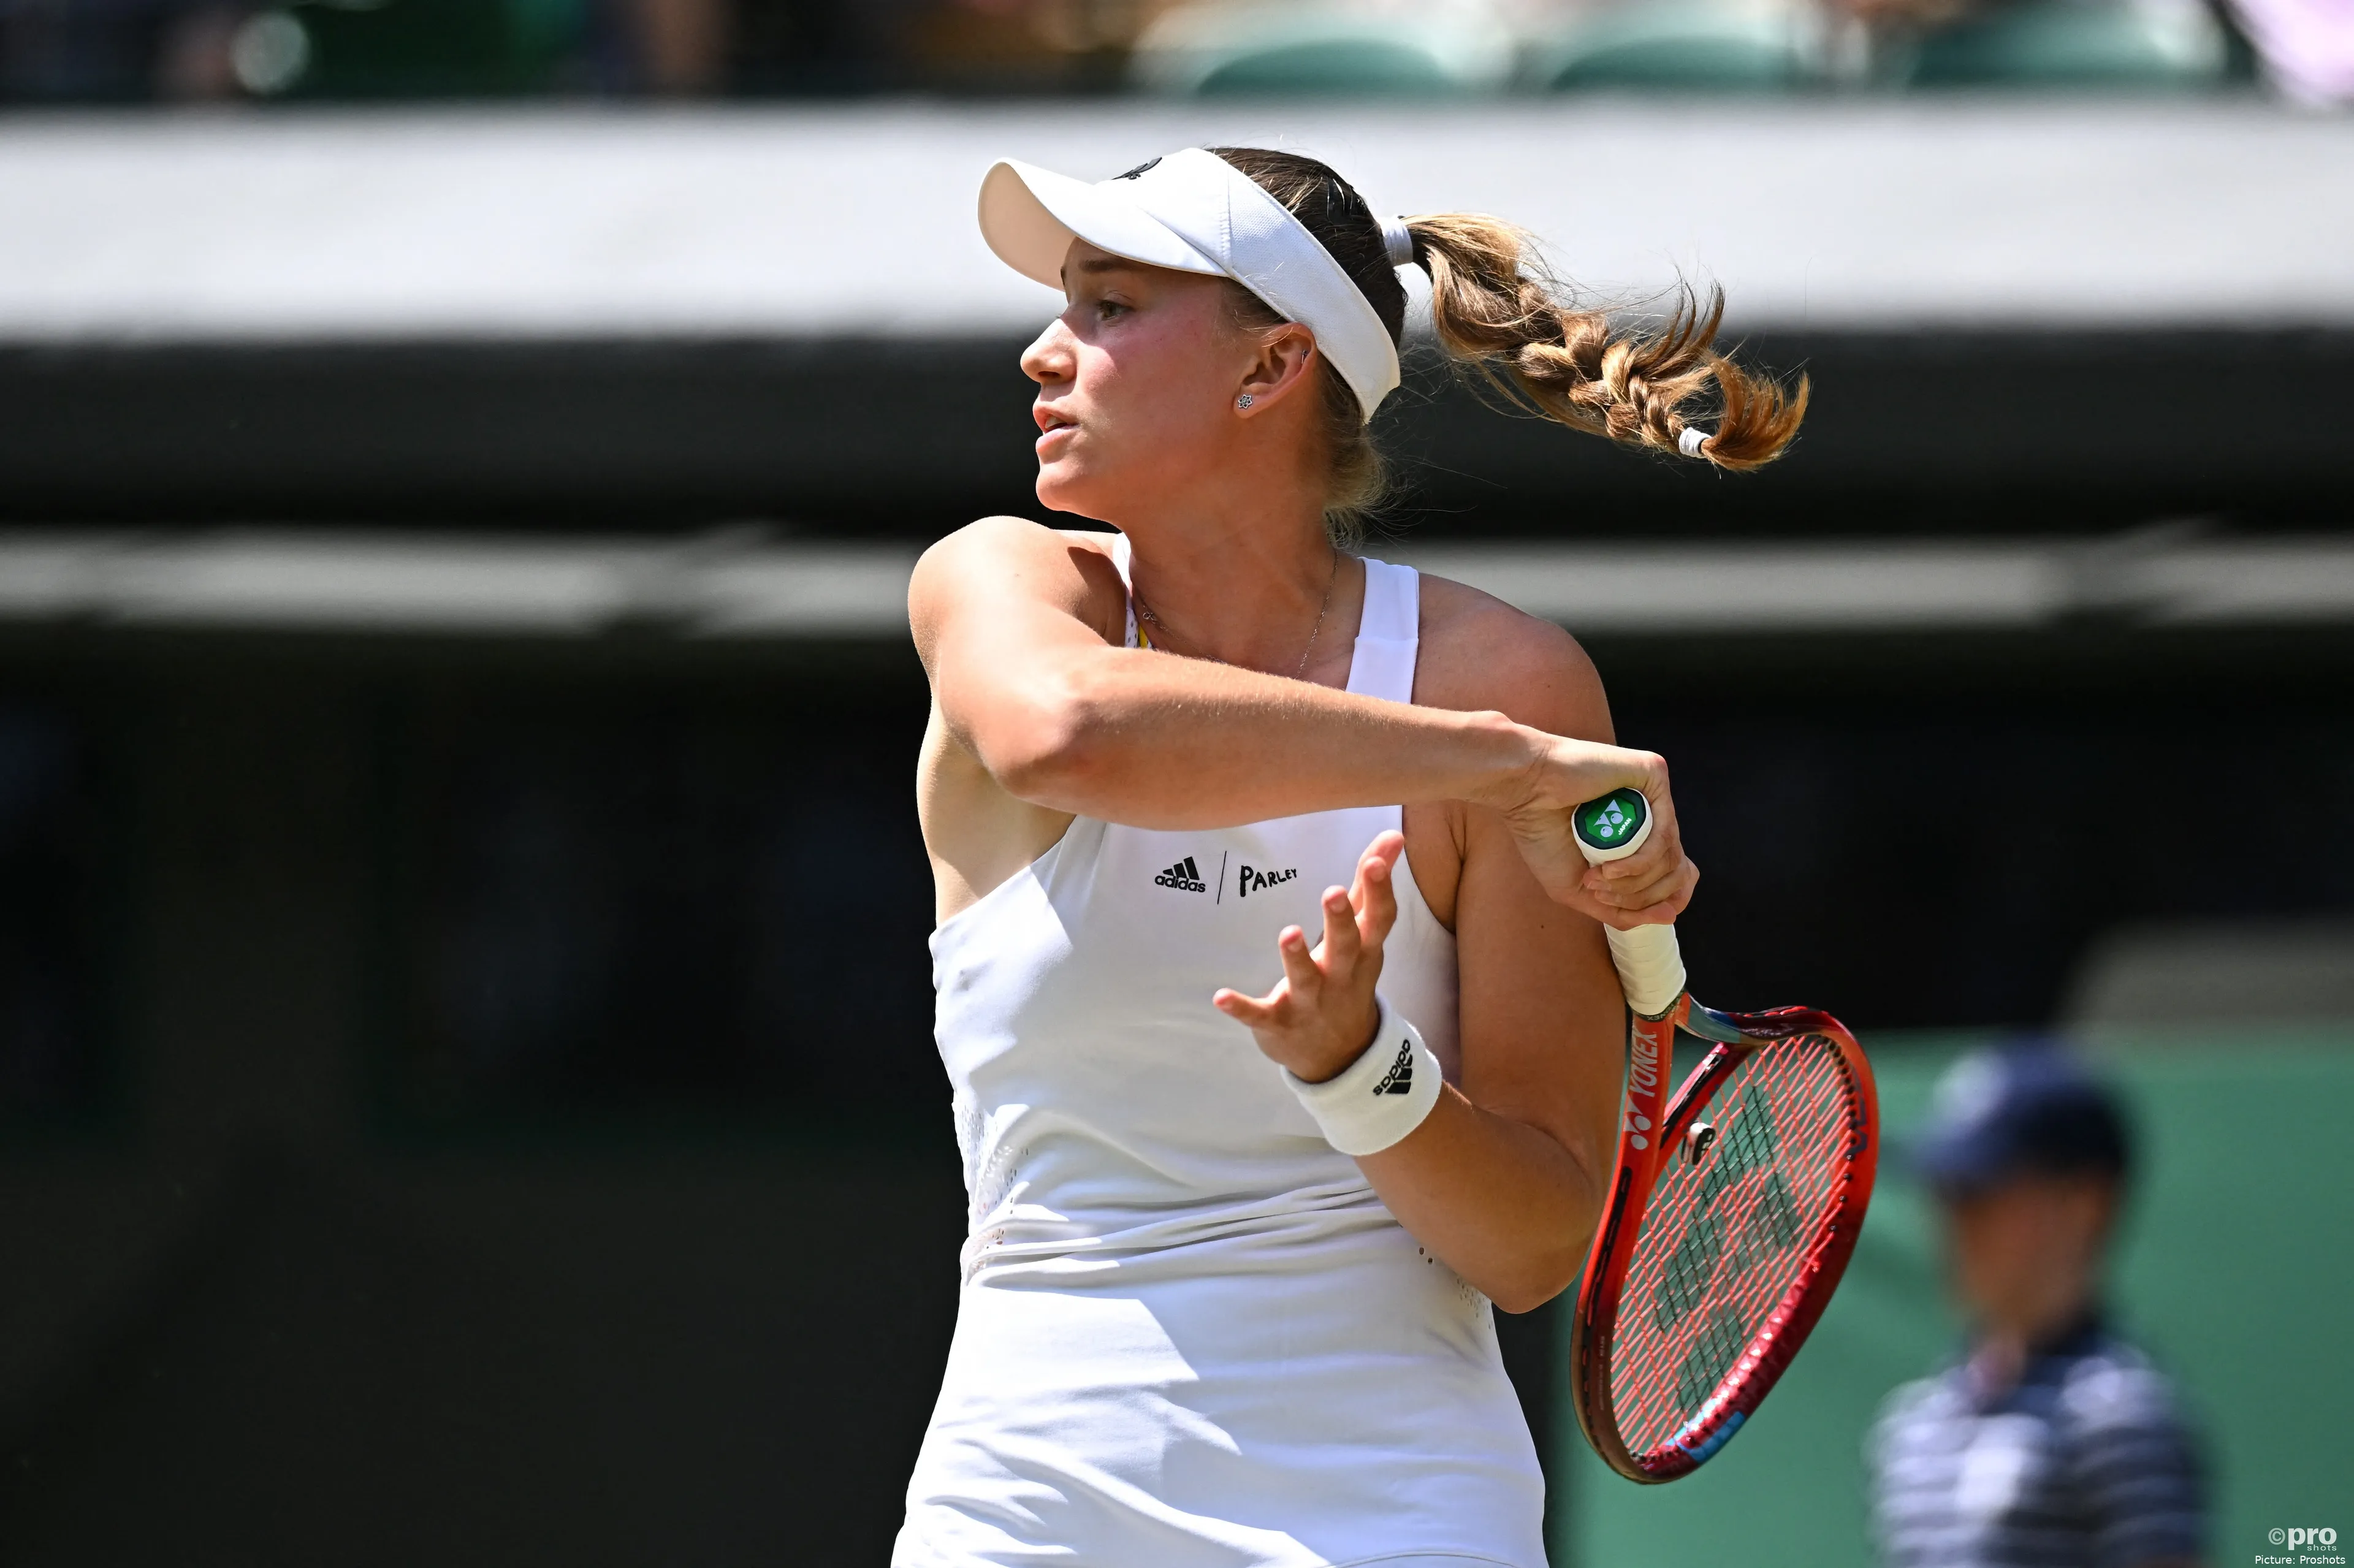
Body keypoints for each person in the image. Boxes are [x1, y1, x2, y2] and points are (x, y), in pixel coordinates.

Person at [898, 145, 1803, 1566]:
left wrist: (1359, 1070)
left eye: (1108, 306)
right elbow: (1063, 730)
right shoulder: (1000, 583)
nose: (1043, 349)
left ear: (1271, 366)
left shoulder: (1507, 678)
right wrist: (1499, 765)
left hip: (1397, 1509)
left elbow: (1530, 1245)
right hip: (1029, 1507)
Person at [1869, 1045, 2208, 1568]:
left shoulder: (2122, 1418)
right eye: (1944, 1192)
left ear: (2084, 1204)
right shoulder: (1913, 1427)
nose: (1952, 1222)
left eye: (1979, 1192)